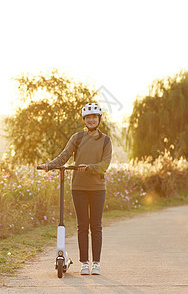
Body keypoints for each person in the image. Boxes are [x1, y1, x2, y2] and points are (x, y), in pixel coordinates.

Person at [38, 102, 112, 275]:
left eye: (94, 117)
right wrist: (49, 165)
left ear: (99, 119)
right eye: (88, 117)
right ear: (84, 120)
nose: (91, 120)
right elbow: (64, 156)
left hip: (97, 188)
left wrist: (89, 167)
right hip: (78, 186)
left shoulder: (105, 140)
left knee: (96, 226)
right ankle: (84, 263)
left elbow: (104, 165)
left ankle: (96, 264)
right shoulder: (77, 138)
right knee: (82, 225)